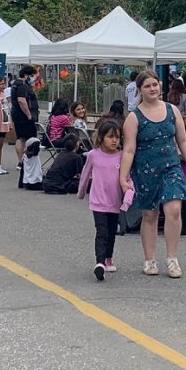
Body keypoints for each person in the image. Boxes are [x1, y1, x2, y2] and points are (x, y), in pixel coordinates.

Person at [118, 70, 186, 278]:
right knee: (150, 215)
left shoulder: (172, 110)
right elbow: (128, 149)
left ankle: (172, 259)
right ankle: (150, 259)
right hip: (145, 171)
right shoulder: (134, 118)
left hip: (171, 167)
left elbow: (183, 140)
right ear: (139, 90)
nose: (152, 89)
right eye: (147, 86)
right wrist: (123, 177)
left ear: (160, 86)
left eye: (155, 84)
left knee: (174, 209)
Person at [78, 118, 133, 280]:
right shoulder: (93, 155)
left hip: (115, 202)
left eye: (117, 137)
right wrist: (81, 192)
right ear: (101, 138)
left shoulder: (122, 156)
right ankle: (100, 262)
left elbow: (128, 180)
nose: (114, 140)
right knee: (101, 231)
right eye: (110, 137)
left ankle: (109, 257)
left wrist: (127, 199)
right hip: (98, 202)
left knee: (111, 232)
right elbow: (85, 174)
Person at [11, 65, 39, 167]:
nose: (34, 78)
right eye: (33, 76)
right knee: (27, 138)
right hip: (23, 116)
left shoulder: (15, 84)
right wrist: (28, 115)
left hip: (17, 114)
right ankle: (24, 160)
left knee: (20, 137)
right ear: (27, 75)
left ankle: (21, 161)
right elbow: (22, 101)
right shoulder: (22, 85)